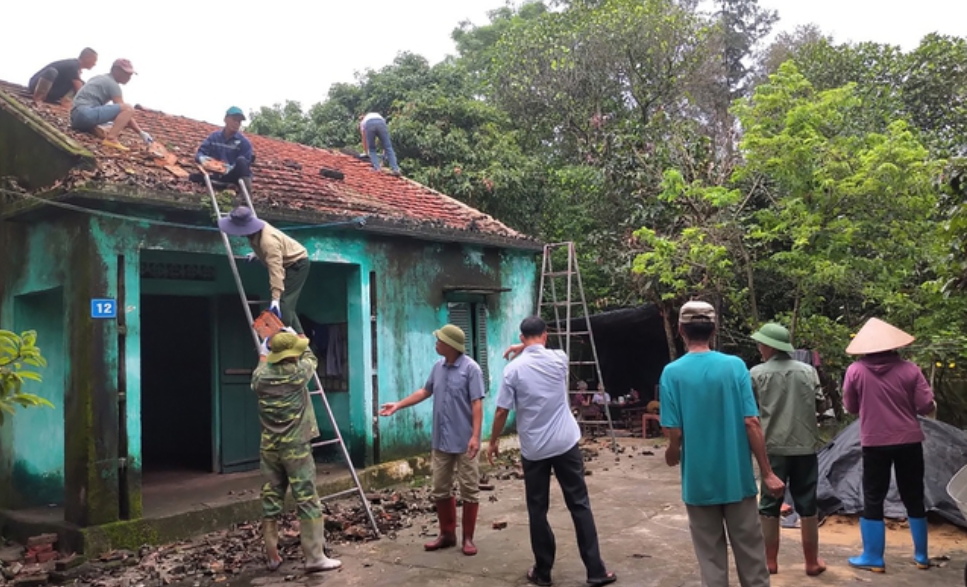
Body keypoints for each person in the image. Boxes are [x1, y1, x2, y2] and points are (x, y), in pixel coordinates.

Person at [660, 300, 784, 587]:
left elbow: (673, 429)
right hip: (736, 478)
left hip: (698, 482)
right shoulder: (735, 366)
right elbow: (751, 422)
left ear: (680, 330)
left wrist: (673, 451)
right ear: (714, 330)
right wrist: (767, 472)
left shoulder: (672, 373)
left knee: (711, 561)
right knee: (753, 558)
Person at [490, 317, 617, 587]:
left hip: (534, 449)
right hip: (564, 443)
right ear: (545, 335)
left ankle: (543, 572)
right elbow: (538, 349)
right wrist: (522, 346)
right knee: (579, 504)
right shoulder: (560, 359)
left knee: (538, 509)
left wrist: (493, 441)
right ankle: (595, 570)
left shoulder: (512, 371)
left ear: (523, 337)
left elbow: (502, 410)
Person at [378, 324, 484, 555]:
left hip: (465, 441)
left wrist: (476, 436)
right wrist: (398, 405)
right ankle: (447, 534)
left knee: (469, 489)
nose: (436, 343)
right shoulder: (438, 367)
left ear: (451, 345)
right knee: (440, 488)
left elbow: (477, 403)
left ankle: (468, 538)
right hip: (441, 440)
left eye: (439, 340)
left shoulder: (471, 369)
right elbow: (425, 391)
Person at [843, 317, 936, 573]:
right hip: (909, 440)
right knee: (913, 495)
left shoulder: (855, 371)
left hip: (874, 442)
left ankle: (874, 557)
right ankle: (921, 556)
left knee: (874, 496)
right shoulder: (910, 370)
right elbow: (925, 405)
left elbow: (850, 406)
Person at [252, 330, 341, 574]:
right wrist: (294, 332)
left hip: (270, 447)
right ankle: (314, 557)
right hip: (296, 447)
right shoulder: (298, 373)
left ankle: (272, 555)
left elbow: (263, 358)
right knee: (306, 498)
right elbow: (310, 355)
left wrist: (265, 344)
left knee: (271, 498)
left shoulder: (260, 377)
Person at [749, 322, 826, 576]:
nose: (759, 347)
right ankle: (812, 562)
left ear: (770, 347)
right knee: (807, 504)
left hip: (773, 448)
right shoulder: (808, 371)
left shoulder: (756, 373)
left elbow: (751, 412)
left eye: (761, 344)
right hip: (805, 447)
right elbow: (820, 404)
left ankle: (770, 562)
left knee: (770, 505)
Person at [218, 207, 309, 335]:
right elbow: (268, 250)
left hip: (297, 264)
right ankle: (300, 335)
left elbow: (276, 270)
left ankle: (286, 336)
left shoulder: (269, 242)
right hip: (284, 259)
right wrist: (257, 254)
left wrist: (275, 299)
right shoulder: (255, 234)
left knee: (283, 304)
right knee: (286, 303)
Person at [70, 58, 152, 151]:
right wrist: (140, 132)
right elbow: (125, 112)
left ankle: (102, 131)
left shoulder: (99, 78)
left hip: (76, 118)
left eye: (130, 74)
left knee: (114, 122)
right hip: (85, 114)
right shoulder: (112, 84)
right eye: (126, 73)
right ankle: (111, 139)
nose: (129, 77)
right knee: (128, 108)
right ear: (115, 70)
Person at [194, 106, 255, 194]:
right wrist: (204, 160)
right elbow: (200, 153)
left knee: (241, 161)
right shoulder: (214, 137)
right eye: (234, 119)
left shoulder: (244, 142)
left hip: (232, 176)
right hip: (216, 174)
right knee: (193, 177)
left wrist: (229, 168)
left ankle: (245, 195)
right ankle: (220, 184)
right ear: (226, 119)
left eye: (239, 121)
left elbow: (245, 164)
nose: (236, 123)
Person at [28, 48, 98, 105]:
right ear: (86, 58)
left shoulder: (77, 70)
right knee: (52, 72)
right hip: (36, 86)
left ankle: (66, 104)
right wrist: (87, 102)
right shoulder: (73, 65)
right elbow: (79, 89)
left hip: (51, 92)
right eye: (94, 60)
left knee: (82, 84)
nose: (95, 64)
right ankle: (38, 98)